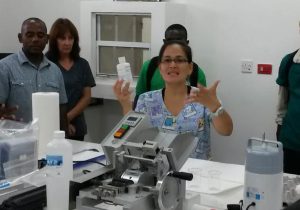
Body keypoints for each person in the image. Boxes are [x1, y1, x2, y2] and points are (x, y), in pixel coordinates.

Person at [114, 40, 233, 159]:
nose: (172, 65)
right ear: (160, 67)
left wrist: (215, 107)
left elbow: (226, 131)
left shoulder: (202, 98)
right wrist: (125, 104)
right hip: (156, 170)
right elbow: (133, 135)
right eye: (166, 60)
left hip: (196, 172)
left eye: (180, 60)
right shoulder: (146, 100)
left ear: (190, 67)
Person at [0, 17, 68, 132]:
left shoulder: (55, 70)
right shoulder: (5, 67)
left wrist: (64, 140)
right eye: (29, 35)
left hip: (49, 139)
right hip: (16, 140)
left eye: (40, 35)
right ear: (20, 38)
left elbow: (62, 108)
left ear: (47, 39)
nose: (35, 39)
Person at [133, 23, 206, 109]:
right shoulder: (149, 67)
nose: (173, 65)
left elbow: (202, 105)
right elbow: (138, 99)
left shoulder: (197, 73)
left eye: (179, 41)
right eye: (170, 41)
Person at [46, 18, 95, 141]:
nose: (67, 42)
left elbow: (86, 97)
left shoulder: (82, 64)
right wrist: (61, 123)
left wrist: (66, 118)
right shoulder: (45, 64)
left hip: (77, 126)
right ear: (54, 40)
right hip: (50, 125)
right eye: (62, 38)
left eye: (70, 38)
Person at [276, 45, 300, 174]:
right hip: (291, 141)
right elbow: (282, 101)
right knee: (290, 187)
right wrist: (279, 127)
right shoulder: (289, 62)